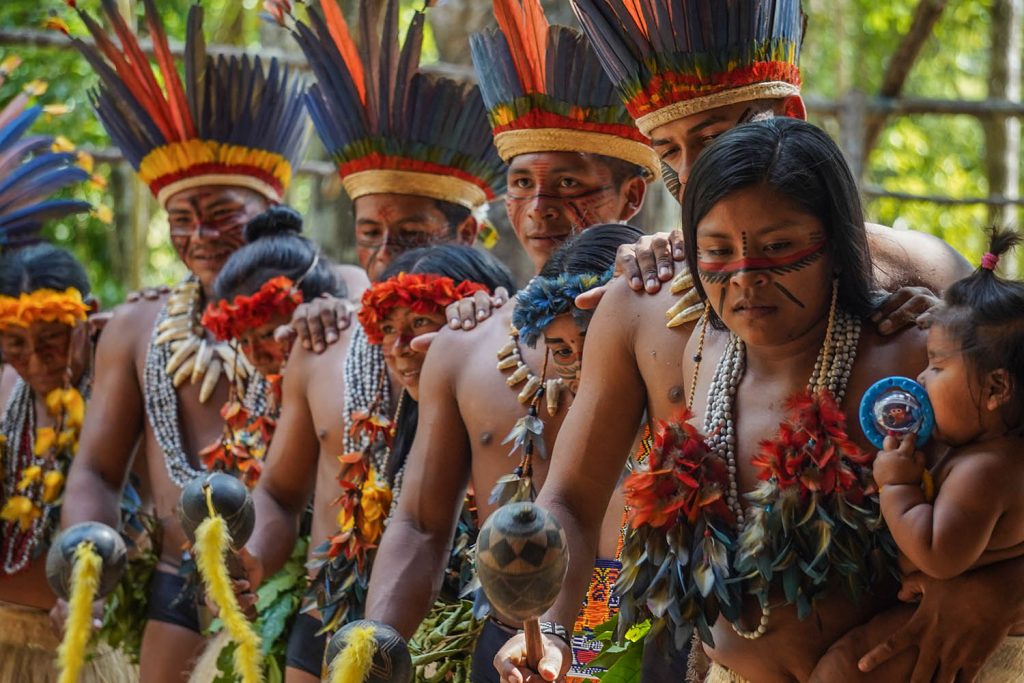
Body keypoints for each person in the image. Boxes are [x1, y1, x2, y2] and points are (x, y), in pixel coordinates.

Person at [363, 2, 662, 680]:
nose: (539, 208)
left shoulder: (689, 322)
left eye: (568, 185)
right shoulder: (468, 344)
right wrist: (376, 636)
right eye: (521, 184)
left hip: (654, 628)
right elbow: (418, 524)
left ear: (634, 193)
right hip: (510, 640)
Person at [231, 2, 508, 680]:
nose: (384, 255)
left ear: (465, 235)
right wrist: (252, 559)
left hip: (460, 620)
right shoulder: (324, 336)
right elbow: (278, 494)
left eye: (409, 235)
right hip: (329, 613)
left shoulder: (498, 341)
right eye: (369, 233)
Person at [58, 4, 314, 681]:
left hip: (292, 583)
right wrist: (82, 548)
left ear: (272, 216)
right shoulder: (139, 328)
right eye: (182, 219)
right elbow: (96, 471)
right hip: (177, 575)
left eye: (223, 215)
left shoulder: (320, 310)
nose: (199, 236)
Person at [810, 227, 1024, 683]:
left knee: (842, 670)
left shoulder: (987, 470)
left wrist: (897, 485)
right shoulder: (981, 450)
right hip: (946, 603)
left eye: (937, 365)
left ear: (996, 388)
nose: (921, 378)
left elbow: (936, 555)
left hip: (961, 622)